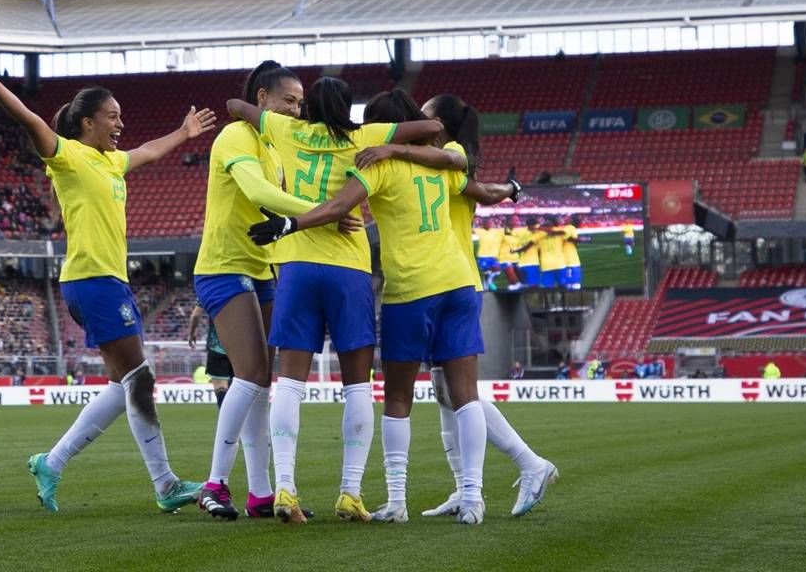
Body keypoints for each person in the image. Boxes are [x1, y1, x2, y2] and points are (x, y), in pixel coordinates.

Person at [0, 38, 215, 514]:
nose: (121, 124)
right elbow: (31, 119)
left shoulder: (111, 162)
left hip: (108, 281)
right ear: (88, 122)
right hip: (92, 280)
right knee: (140, 380)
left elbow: (148, 150)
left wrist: (184, 133)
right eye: (113, 116)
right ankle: (165, 485)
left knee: (123, 385)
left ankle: (51, 462)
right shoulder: (67, 157)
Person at [230, 78, 442, 523]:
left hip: (297, 264)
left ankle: (285, 488)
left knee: (288, 382)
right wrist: (392, 147)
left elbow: (235, 105)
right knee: (357, 384)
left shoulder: (287, 131)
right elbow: (432, 126)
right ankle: (350, 492)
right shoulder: (365, 136)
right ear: (351, 109)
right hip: (349, 270)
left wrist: (265, 112)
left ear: (307, 109)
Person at [358, 91, 556, 520]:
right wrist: (510, 190)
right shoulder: (441, 160)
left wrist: (391, 146)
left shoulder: (437, 155)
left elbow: (469, 178)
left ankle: (528, 463)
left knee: (452, 393)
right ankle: (466, 488)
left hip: (431, 279)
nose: (420, 120)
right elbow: (483, 191)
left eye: (427, 116)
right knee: (447, 393)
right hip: (457, 279)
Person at [191, 60, 353, 520]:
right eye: (289, 101)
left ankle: (260, 492)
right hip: (224, 267)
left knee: (261, 380)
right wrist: (326, 211)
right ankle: (215, 484)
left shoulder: (275, 143)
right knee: (252, 373)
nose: (297, 111)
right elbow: (259, 192)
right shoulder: (235, 137)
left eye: (301, 104)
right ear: (261, 99)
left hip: (263, 268)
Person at [187, 304, 231, 411]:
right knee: (241, 387)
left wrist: (191, 334)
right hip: (240, 347)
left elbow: (196, 315)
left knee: (221, 387)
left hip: (216, 346)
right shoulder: (245, 286)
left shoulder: (208, 287)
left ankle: (227, 423)